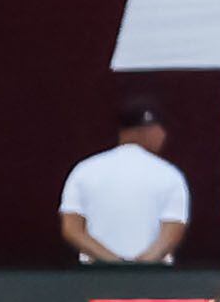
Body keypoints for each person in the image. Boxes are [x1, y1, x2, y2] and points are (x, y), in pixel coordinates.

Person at [59, 97, 194, 266]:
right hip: (154, 280)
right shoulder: (169, 174)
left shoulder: (84, 170)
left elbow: (72, 229)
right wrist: (140, 267)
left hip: (96, 278)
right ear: (151, 130)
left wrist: (114, 264)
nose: (163, 136)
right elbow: (172, 231)